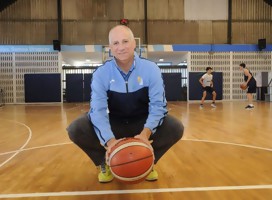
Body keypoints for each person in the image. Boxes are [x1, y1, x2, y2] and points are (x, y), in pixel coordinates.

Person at [67, 25, 184, 183]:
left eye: (125, 41)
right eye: (115, 43)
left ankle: (147, 160)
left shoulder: (151, 69)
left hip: (142, 123)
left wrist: (145, 134)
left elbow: (158, 106)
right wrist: (111, 142)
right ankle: (106, 162)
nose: (121, 47)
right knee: (76, 128)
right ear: (110, 48)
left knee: (175, 127)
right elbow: (98, 111)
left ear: (134, 43)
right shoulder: (101, 74)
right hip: (115, 122)